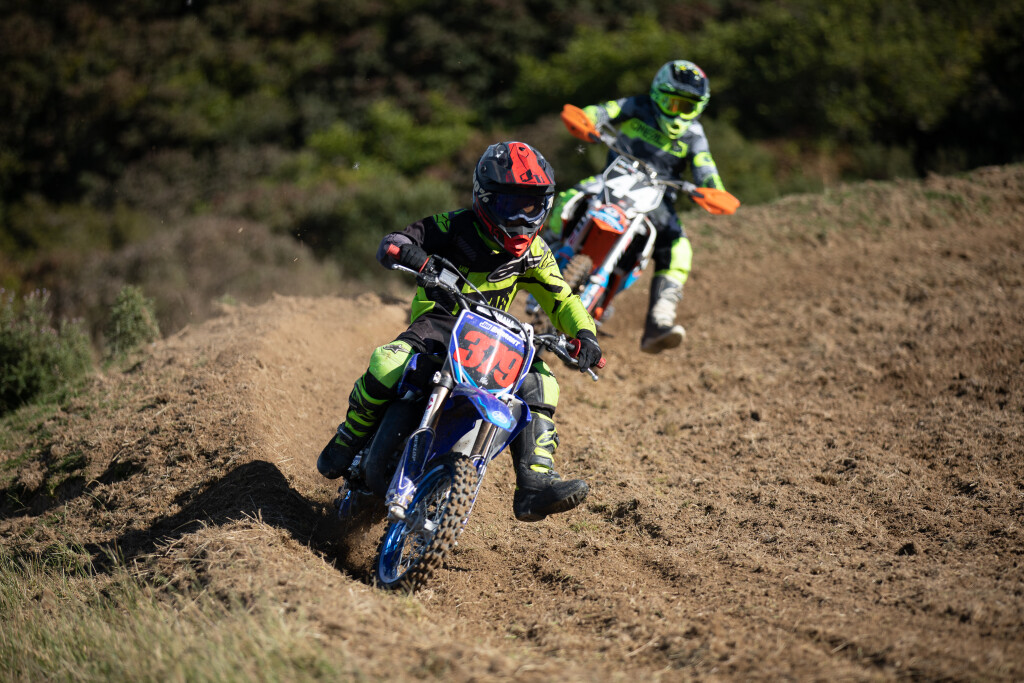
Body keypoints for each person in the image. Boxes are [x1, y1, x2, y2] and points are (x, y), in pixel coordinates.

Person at [317, 141, 603, 523]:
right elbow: (397, 241)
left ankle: (534, 484)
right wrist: (410, 254)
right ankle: (349, 436)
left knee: (544, 383)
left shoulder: (535, 253)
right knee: (387, 363)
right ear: (485, 198)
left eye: (532, 206)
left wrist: (585, 335)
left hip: (495, 340)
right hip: (439, 323)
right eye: (511, 204)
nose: (521, 217)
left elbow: (563, 299)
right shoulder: (453, 227)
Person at [547, 59, 727, 354]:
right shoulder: (637, 105)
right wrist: (588, 119)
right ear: (658, 94)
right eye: (672, 102)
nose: (678, 113)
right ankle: (542, 247)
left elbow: (706, 168)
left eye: (687, 106)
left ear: (699, 107)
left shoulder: (694, 135)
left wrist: (713, 191)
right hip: (612, 179)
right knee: (570, 197)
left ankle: (659, 321)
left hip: (657, 200)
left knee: (679, 248)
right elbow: (605, 110)